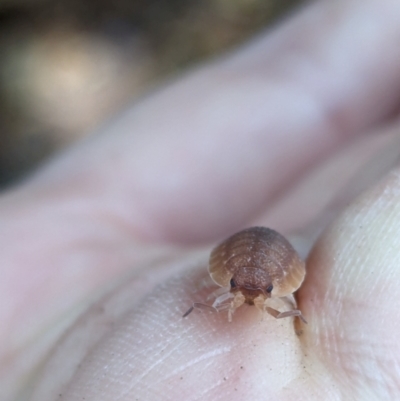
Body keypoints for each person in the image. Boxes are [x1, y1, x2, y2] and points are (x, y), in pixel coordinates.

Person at [3, 0, 400, 399]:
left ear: (273, 288)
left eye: (256, 292)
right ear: (228, 277)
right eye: (244, 289)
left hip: (267, 248)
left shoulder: (270, 281)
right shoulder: (237, 279)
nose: (246, 296)